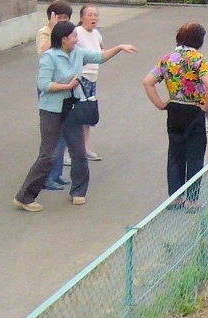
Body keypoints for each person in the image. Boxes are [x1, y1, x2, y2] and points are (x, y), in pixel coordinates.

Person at [14, 21, 137, 212]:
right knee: (48, 154)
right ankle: (25, 196)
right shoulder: (49, 57)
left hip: (72, 108)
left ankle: (78, 191)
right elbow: (44, 85)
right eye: (73, 36)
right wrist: (66, 87)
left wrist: (119, 48)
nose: (76, 39)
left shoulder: (78, 53)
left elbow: (99, 57)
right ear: (63, 39)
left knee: (79, 151)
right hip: (52, 110)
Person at [143, 22, 208, 210]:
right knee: (195, 155)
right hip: (194, 109)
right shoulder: (199, 59)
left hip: (174, 108)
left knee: (175, 153)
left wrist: (161, 104)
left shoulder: (168, 59)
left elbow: (148, 81)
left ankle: (175, 198)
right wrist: (206, 107)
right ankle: (192, 200)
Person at [36, 0, 73, 191]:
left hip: (66, 87)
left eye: (66, 19)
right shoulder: (45, 33)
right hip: (51, 87)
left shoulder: (69, 34)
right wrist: (52, 30)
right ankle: (46, 177)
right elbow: (44, 52)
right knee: (51, 137)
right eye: (59, 19)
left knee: (63, 135)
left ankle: (56, 174)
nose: (62, 23)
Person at [74, 5, 104, 161]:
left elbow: (102, 51)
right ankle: (68, 152)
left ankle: (86, 148)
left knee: (88, 114)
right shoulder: (77, 33)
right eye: (90, 15)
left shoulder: (97, 34)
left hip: (93, 78)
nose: (93, 18)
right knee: (76, 115)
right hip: (80, 78)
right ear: (82, 17)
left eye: (96, 15)